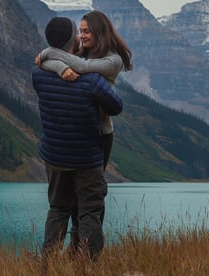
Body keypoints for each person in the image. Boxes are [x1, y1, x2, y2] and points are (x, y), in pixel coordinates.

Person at [36, 10, 132, 251]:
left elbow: (80, 66)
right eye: (80, 31)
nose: (82, 35)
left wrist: (49, 54)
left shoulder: (112, 60)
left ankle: (77, 254)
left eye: (87, 31)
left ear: (100, 32)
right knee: (85, 199)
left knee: (86, 197)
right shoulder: (81, 57)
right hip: (79, 140)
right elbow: (70, 64)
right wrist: (58, 65)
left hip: (99, 133)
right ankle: (81, 255)